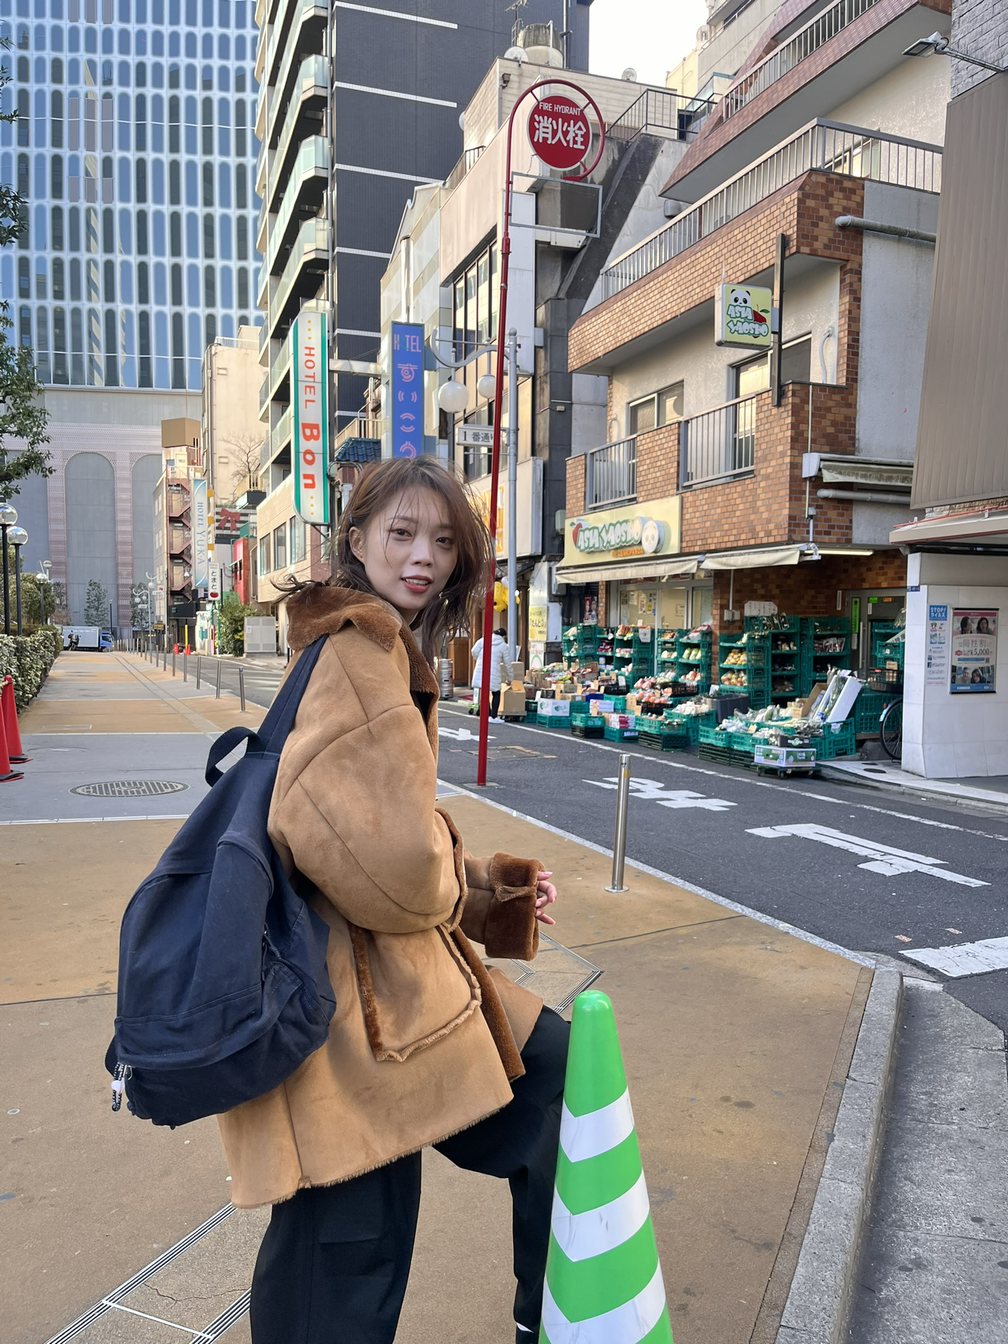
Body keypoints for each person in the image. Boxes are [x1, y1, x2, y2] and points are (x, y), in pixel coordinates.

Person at [216, 457, 565, 1344]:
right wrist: (464, 880)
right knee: (345, 1250)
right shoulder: (359, 653)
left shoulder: (368, 644)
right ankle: (559, 1317)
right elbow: (393, 862)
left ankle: (558, 1315)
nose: (424, 558)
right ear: (358, 537)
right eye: (403, 534)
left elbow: (369, 838)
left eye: (443, 541)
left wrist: (493, 893)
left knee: (357, 1240)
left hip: (375, 997)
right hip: (350, 1014)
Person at [471, 624, 511, 718]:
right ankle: (493, 716)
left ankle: (486, 712)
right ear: (503, 637)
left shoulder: (483, 640)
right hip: (494, 671)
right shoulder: (503, 645)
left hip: (481, 669)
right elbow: (507, 664)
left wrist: (478, 659)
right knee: (496, 693)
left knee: (484, 691)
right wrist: (510, 678)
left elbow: (474, 651)